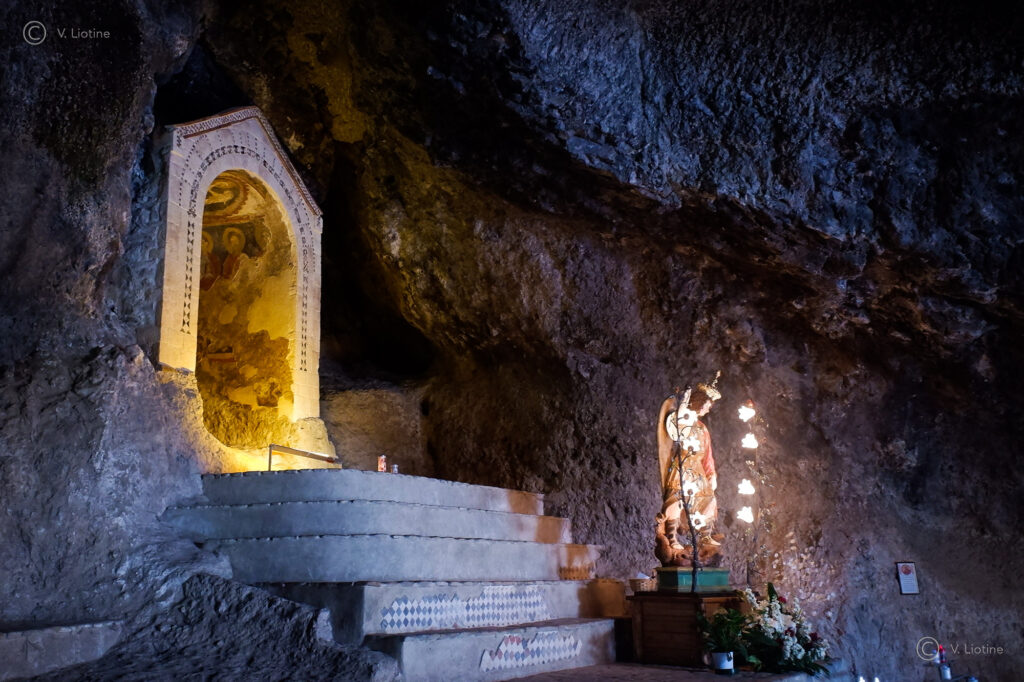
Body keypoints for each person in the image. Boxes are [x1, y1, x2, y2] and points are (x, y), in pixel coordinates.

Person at [656, 380, 721, 562]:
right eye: (706, 405)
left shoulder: (702, 428)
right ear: (698, 402)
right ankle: (671, 538)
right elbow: (675, 431)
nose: (707, 409)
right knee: (676, 500)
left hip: (698, 469)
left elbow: (707, 453)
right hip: (683, 466)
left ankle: (705, 536)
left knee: (709, 499)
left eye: (709, 406)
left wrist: (711, 474)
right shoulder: (682, 420)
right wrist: (684, 403)